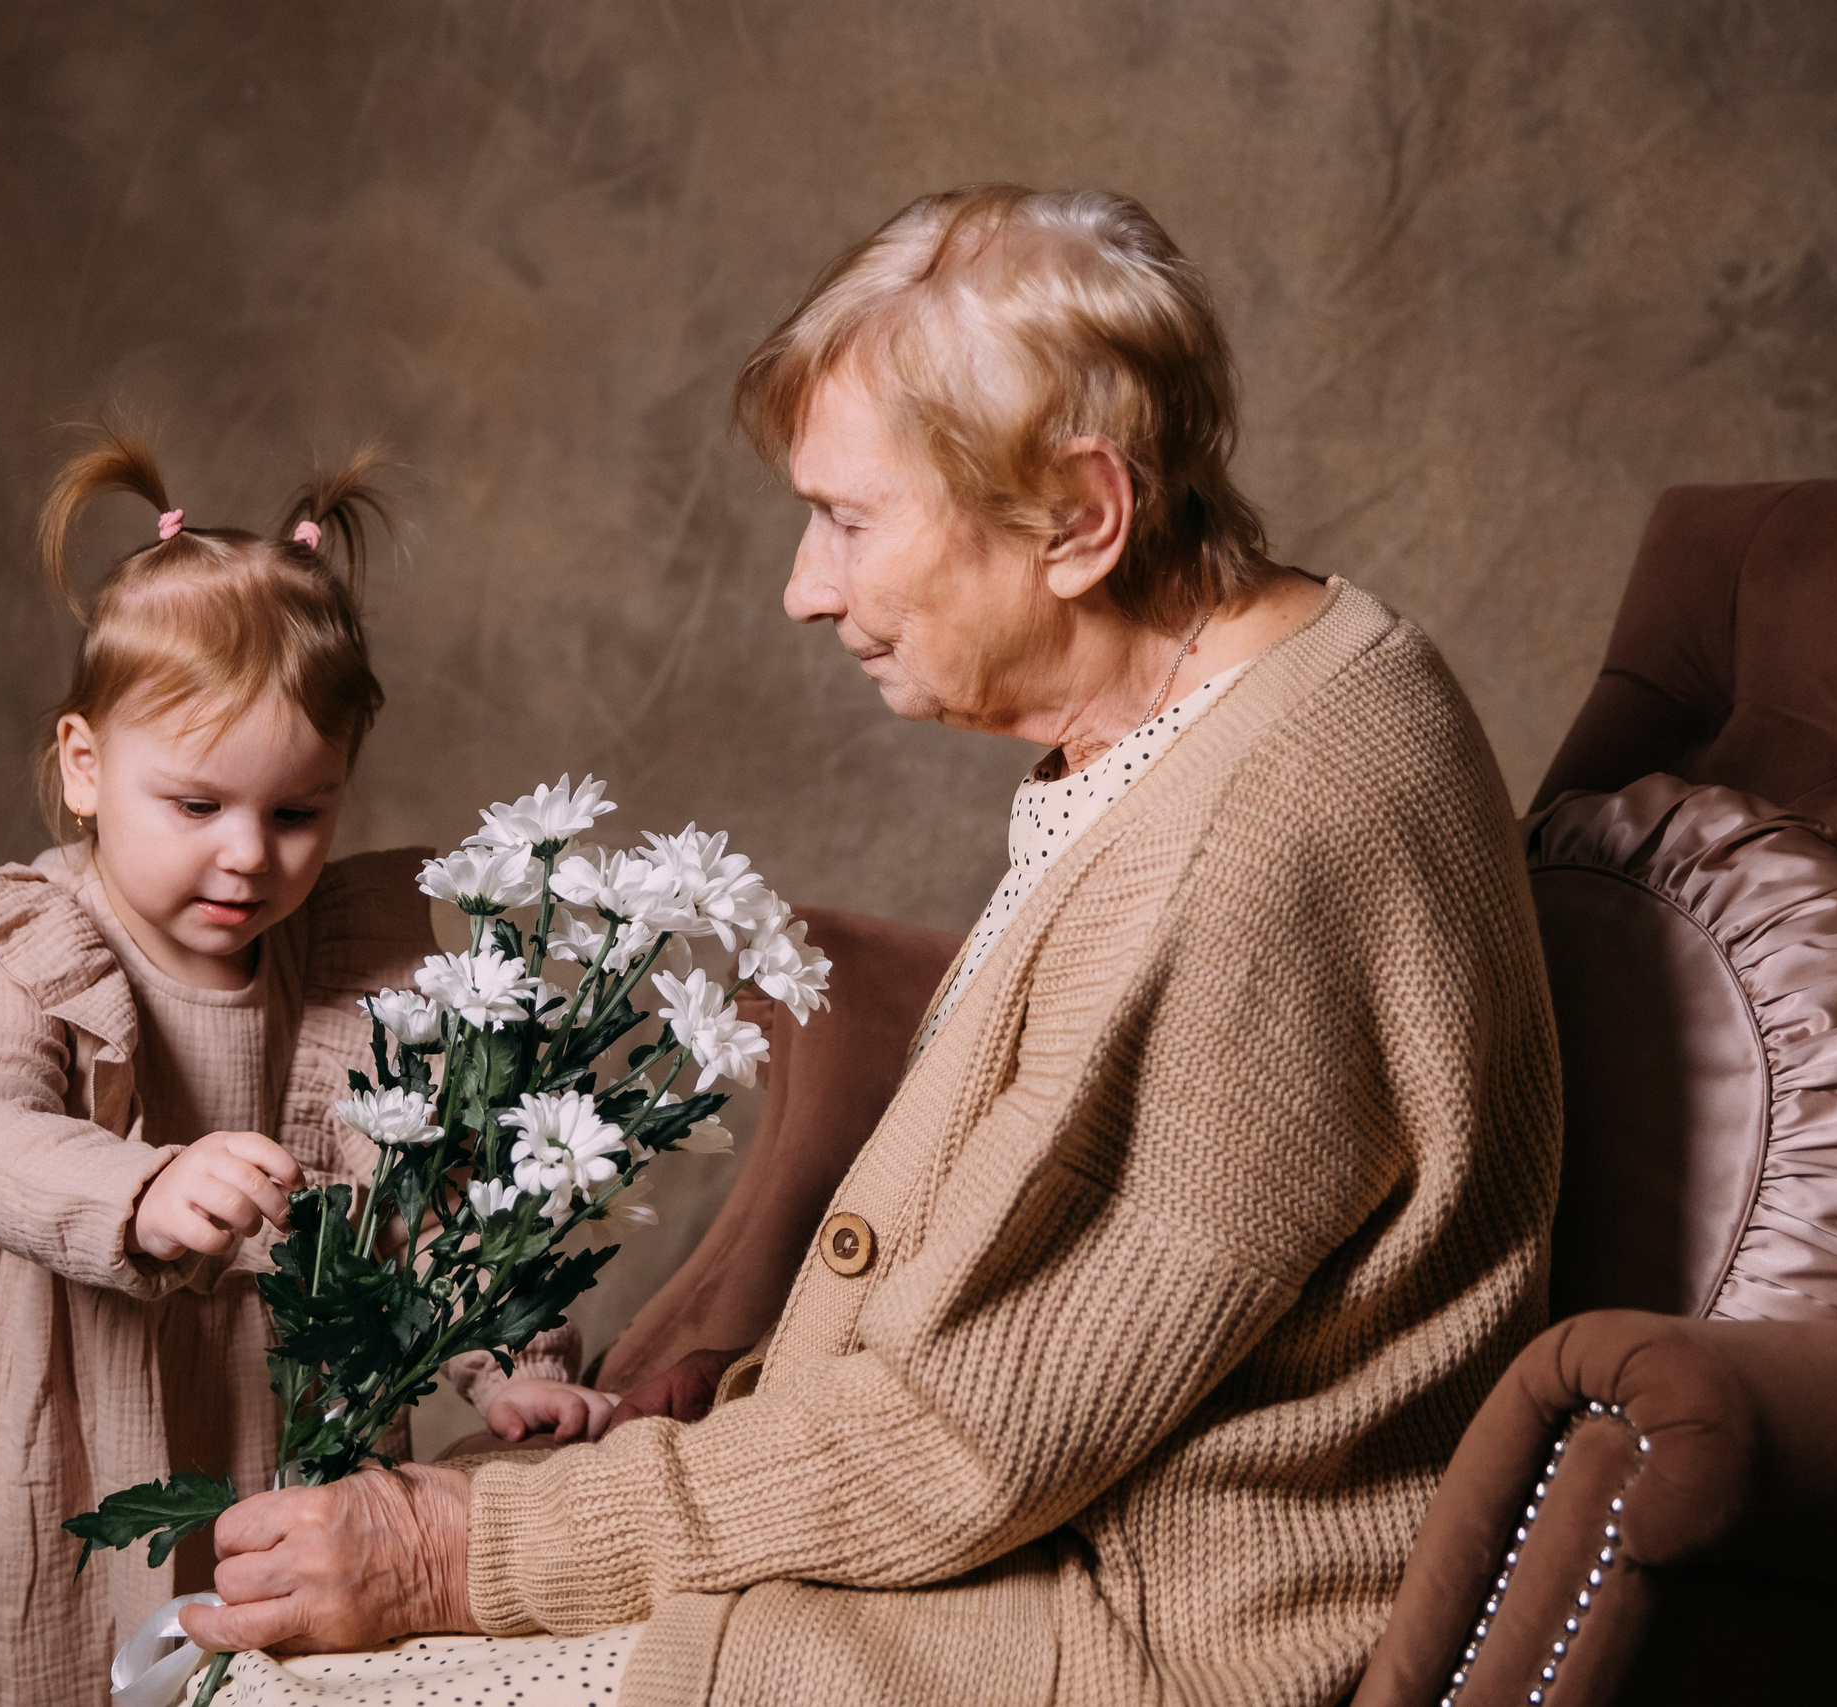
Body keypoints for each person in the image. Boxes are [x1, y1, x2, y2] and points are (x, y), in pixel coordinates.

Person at [173, 186, 1562, 1707]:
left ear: (1081, 515)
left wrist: (473, 1553)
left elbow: (969, 1439)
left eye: (845, 517)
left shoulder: (1260, 834)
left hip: (1123, 1628)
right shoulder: (1242, 704)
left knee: (282, 1692)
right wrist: (745, 1391)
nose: (802, 587)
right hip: (1039, 1540)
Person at [0, 426, 613, 1707]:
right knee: (34, 1661)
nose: (250, 857)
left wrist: (509, 1360)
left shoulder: (345, 965)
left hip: (275, 1400)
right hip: (49, 1407)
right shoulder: (33, 940)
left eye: (297, 812)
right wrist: (136, 1193)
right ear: (85, 767)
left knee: (277, 1663)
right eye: (197, 807)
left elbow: (419, 1199)